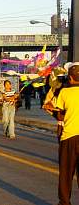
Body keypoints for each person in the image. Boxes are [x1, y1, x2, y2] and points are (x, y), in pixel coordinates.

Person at [56, 63, 79, 205]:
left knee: (66, 173)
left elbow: (60, 116)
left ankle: (65, 202)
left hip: (69, 137)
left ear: (70, 78)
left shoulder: (64, 92)